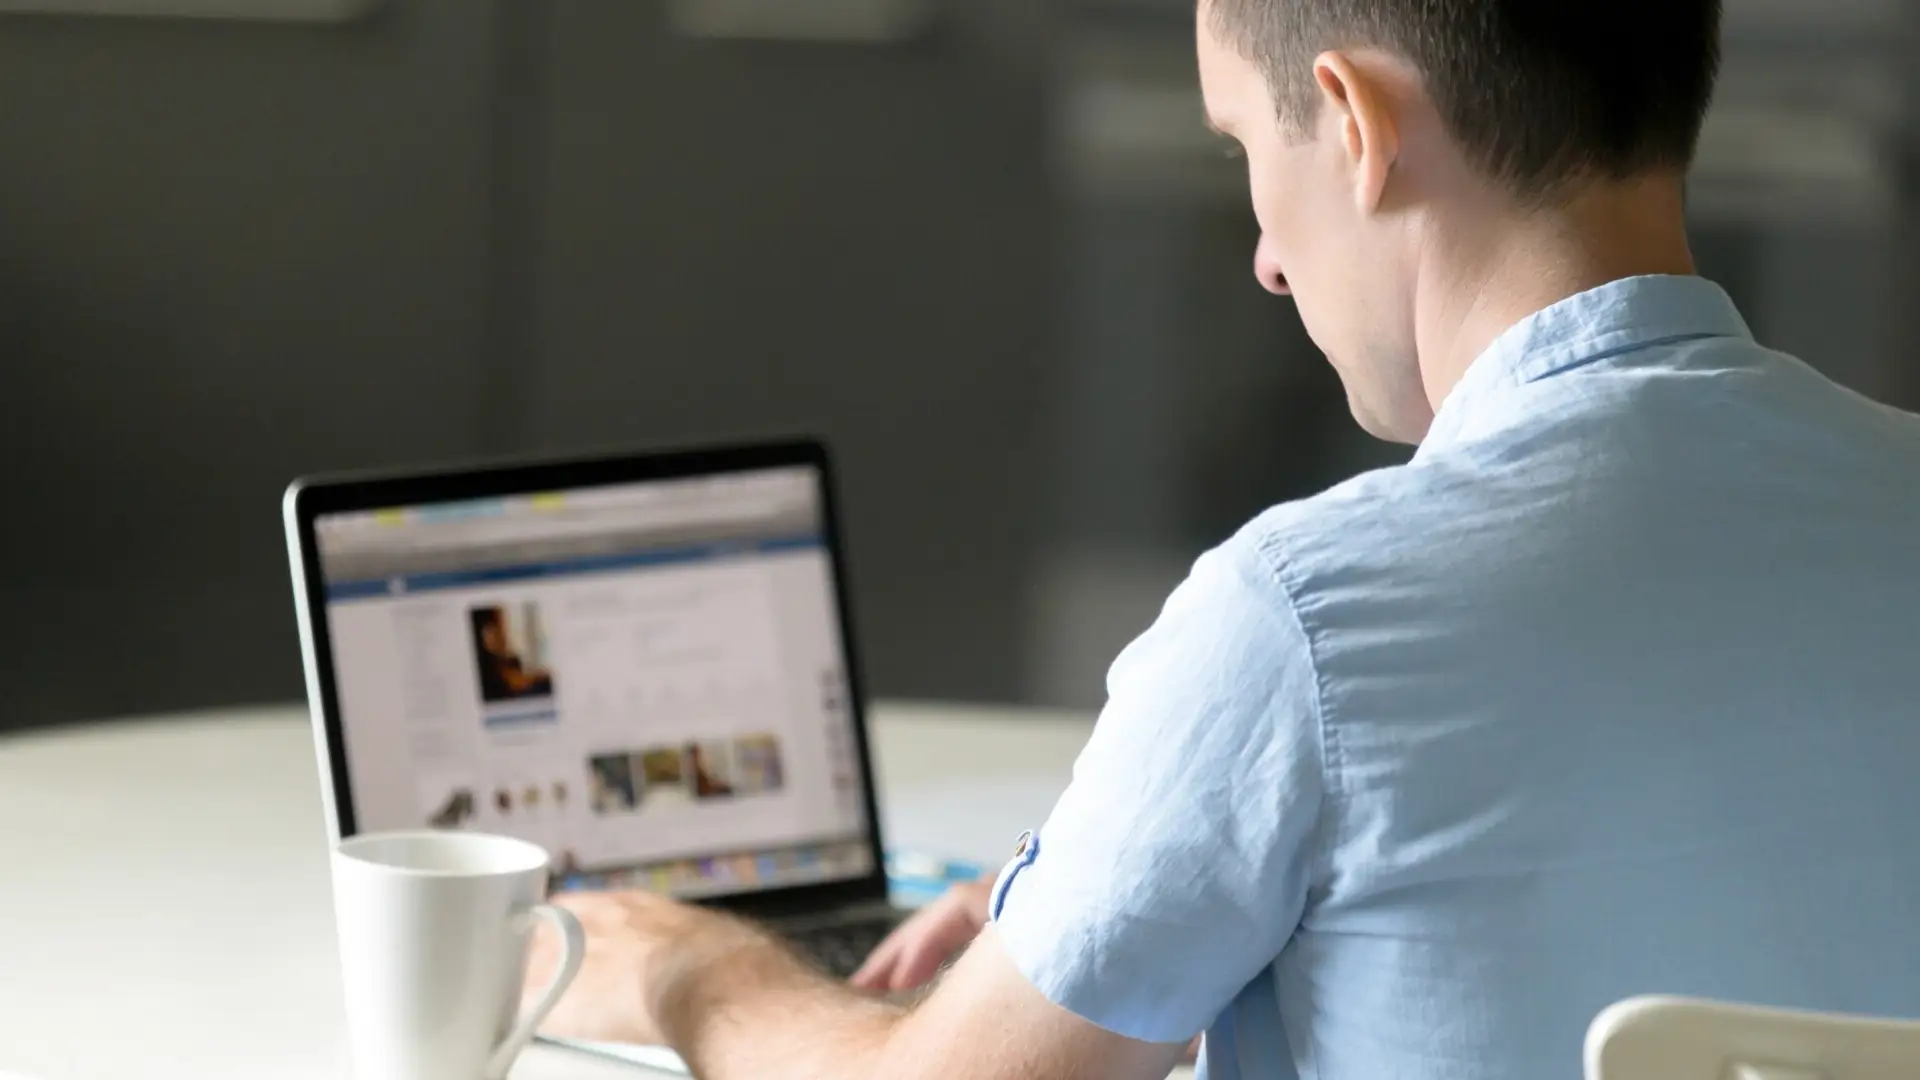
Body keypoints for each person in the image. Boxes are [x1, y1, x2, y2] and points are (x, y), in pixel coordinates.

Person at [524, 1, 1920, 1077]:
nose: (1264, 255)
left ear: (1355, 124)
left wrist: (687, 971)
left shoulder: (1304, 619)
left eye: (1246, 148)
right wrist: (1138, 893)